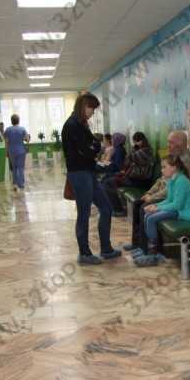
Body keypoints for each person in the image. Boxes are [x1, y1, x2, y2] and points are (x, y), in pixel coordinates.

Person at [61, 93, 121, 265]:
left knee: (106, 208)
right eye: (91, 109)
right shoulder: (72, 125)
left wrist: (94, 147)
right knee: (84, 213)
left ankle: (106, 249)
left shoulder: (81, 124)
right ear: (83, 106)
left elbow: (94, 145)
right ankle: (84, 254)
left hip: (89, 172)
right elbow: (89, 149)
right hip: (79, 174)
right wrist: (94, 148)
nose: (93, 113)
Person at [123, 129, 190, 252]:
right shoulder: (175, 157)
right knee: (138, 204)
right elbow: (161, 180)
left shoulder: (186, 162)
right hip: (168, 196)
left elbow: (173, 189)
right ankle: (138, 243)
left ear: (180, 143)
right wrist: (149, 193)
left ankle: (147, 249)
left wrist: (152, 198)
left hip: (178, 200)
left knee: (143, 207)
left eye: (171, 142)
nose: (168, 145)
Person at [132, 155, 190, 267]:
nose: (162, 170)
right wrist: (155, 205)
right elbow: (169, 200)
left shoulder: (181, 181)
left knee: (151, 218)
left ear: (174, 168)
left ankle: (153, 254)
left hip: (188, 213)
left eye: (164, 167)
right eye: (161, 167)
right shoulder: (171, 180)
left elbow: (177, 205)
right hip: (180, 210)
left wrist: (157, 208)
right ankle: (150, 251)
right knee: (148, 215)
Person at [105, 131, 155, 216]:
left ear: (141, 141)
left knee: (108, 183)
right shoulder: (144, 150)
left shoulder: (145, 151)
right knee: (108, 180)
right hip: (136, 178)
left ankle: (118, 210)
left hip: (140, 180)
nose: (135, 143)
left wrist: (134, 149)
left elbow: (128, 159)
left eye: (136, 141)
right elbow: (127, 161)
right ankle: (117, 208)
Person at [3, 114, 30, 191]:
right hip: (21, 151)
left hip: (11, 151)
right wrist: (25, 138)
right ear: (18, 121)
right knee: (20, 168)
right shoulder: (22, 129)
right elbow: (27, 140)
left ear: (11, 121)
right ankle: (21, 184)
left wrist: (6, 152)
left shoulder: (8, 130)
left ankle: (15, 184)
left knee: (14, 168)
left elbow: (6, 142)